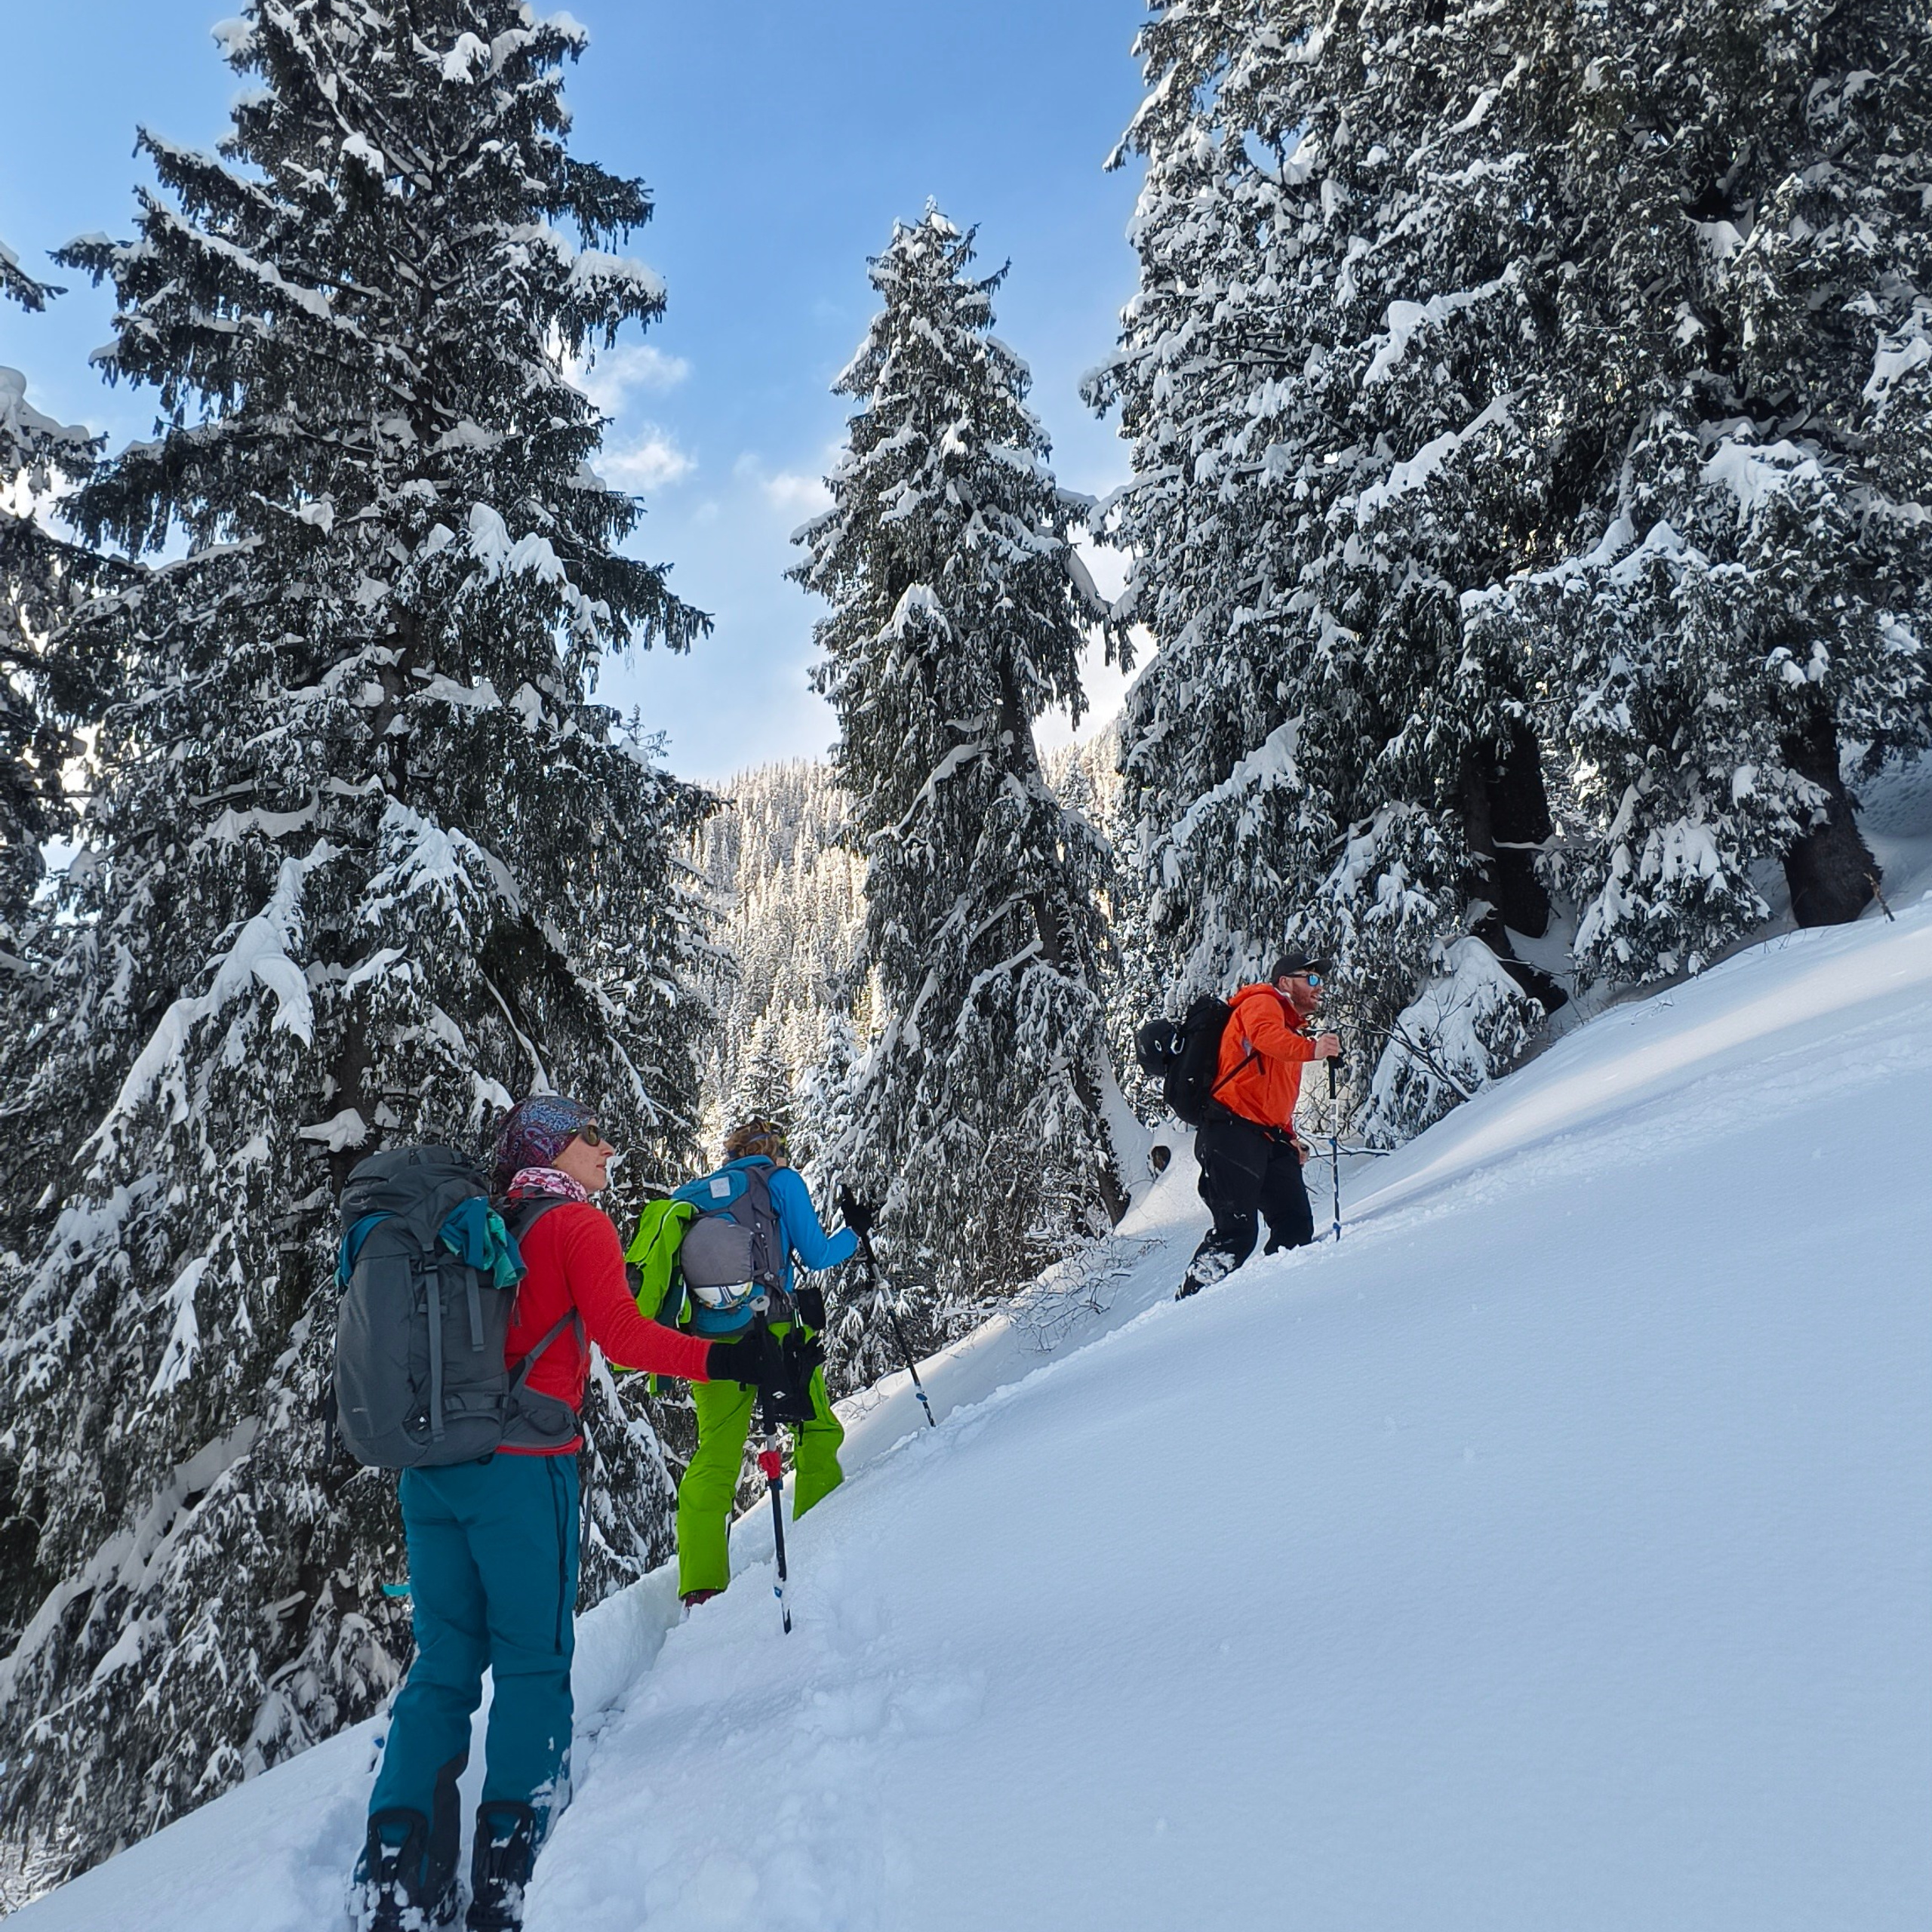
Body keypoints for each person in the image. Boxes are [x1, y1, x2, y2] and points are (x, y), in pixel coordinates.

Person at [352, 1096, 786, 1932]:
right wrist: (732, 1354)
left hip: (432, 1475)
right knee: (532, 1660)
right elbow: (623, 1337)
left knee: (442, 1667)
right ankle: (512, 1872)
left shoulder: (484, 1225)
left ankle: (395, 1875)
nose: (609, 1147)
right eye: (592, 1134)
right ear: (551, 1146)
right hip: (522, 1472)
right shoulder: (574, 1226)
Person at [675, 1118, 865, 1607]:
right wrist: (857, 1233)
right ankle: (817, 1535)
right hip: (772, 1332)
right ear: (772, 1149)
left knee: (715, 1456)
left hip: (711, 1348)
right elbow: (819, 1255)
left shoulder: (695, 1197)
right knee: (815, 1431)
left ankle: (700, 1585)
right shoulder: (780, 1181)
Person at [1177, 952, 1341, 1300]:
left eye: (1320, 979)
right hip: (1230, 1130)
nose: (1319, 986)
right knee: (1237, 1233)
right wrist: (1313, 1051)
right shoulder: (1263, 1002)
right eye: (1310, 978)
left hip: (1270, 1137)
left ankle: (1277, 1301)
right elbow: (1265, 1038)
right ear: (1285, 983)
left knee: (1295, 1225)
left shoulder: (1292, 1029)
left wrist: (1291, 1137)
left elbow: (1275, 1095)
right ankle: (1188, 1308)